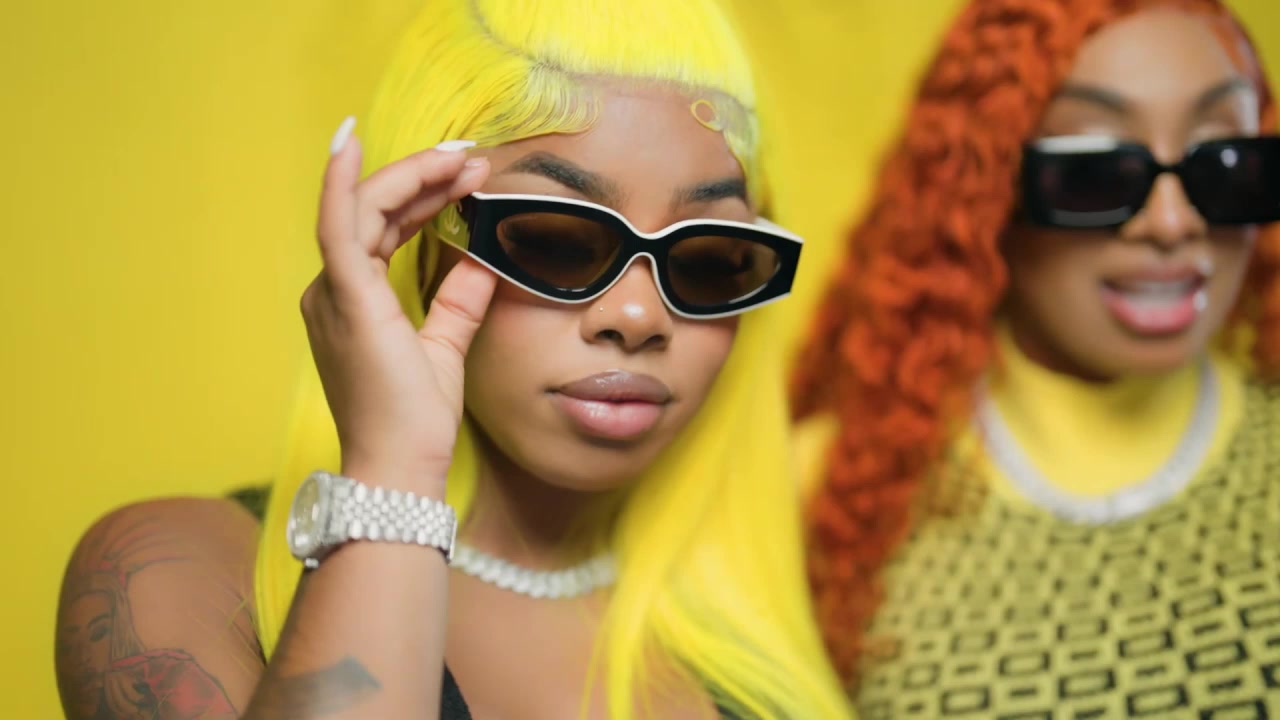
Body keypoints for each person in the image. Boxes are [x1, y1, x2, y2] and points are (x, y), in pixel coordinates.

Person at [54, 0, 853, 717]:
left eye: (710, 260)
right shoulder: (176, 575)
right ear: (416, 239)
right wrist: (394, 467)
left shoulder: (818, 616)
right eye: (555, 239)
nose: (638, 317)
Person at [792, 0, 1280, 716]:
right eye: (1094, 172)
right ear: (980, 195)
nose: (1174, 222)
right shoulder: (828, 491)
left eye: (1228, 164)